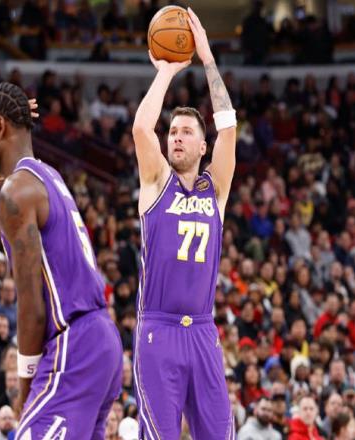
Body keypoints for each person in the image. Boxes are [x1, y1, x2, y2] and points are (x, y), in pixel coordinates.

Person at [0, 81, 123, 439]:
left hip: (75, 344)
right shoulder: (51, 177)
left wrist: (26, 385)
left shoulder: (16, 192)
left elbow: (31, 304)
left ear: (0, 126)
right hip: (102, 340)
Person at [131, 7, 237, 439]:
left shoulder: (216, 189)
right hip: (158, 330)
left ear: (202, 145)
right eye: (173, 131)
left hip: (204, 331)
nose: (176, 136)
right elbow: (142, 129)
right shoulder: (157, 181)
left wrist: (207, 58)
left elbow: (229, 129)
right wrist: (166, 72)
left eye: (186, 131)